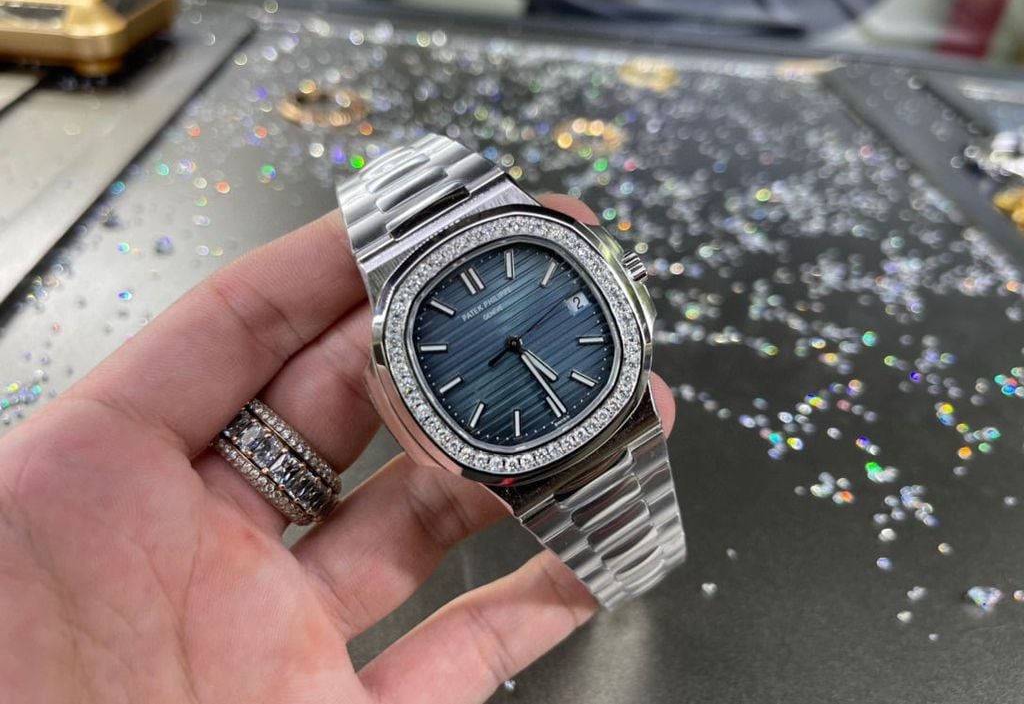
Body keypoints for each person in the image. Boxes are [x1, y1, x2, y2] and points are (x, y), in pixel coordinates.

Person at [0, 196, 676, 703]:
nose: (515, 342)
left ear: (626, 287)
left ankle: (637, 566)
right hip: (510, 437)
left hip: (588, 415)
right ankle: (630, 569)